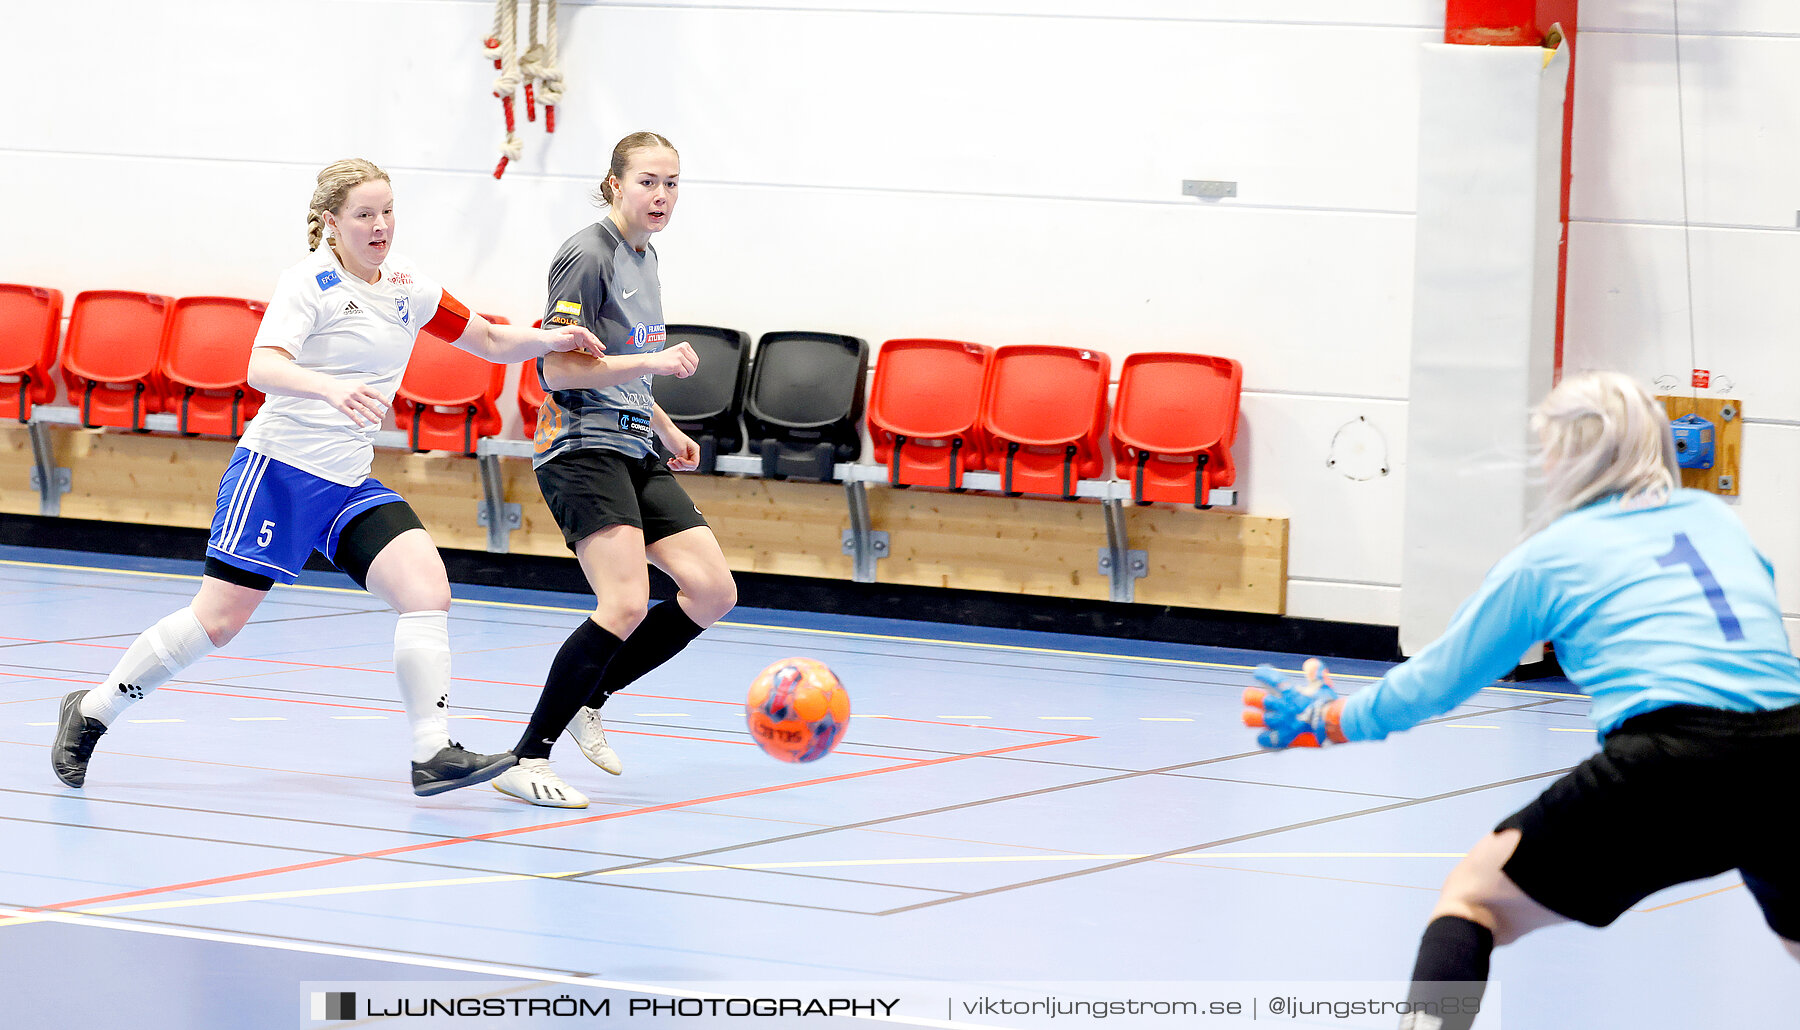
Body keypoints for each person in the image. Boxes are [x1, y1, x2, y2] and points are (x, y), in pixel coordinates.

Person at [1242, 371, 1800, 1029]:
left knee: (1473, 900)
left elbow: (1438, 679)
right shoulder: (1712, 517)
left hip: (1669, 759)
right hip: (1792, 750)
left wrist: (1334, 717)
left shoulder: (1551, 557)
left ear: (1573, 455)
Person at [51, 158, 605, 798]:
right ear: (330, 223)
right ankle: (92, 711)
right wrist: (332, 389)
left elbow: (486, 339)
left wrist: (553, 339)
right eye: (364, 215)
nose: (380, 226)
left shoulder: (406, 284)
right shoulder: (308, 283)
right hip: (280, 472)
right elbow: (262, 365)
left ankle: (432, 753)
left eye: (388, 211)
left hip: (349, 482)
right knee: (218, 621)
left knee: (427, 590)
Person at [491, 131, 737, 809]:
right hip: (581, 447)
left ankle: (589, 696)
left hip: (635, 444)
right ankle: (526, 757)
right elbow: (560, 365)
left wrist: (666, 425)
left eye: (672, 183)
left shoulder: (646, 255)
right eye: (648, 182)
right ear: (614, 185)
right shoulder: (585, 254)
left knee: (713, 591)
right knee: (625, 602)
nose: (661, 196)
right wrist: (655, 366)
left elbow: (624, 361)